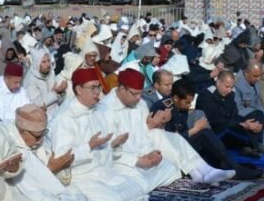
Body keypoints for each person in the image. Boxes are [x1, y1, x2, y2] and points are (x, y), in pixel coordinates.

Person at [98, 68, 233, 188]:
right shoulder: (105, 110)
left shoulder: (140, 104)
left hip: (145, 151)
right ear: (122, 89)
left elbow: (144, 133)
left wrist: (154, 126)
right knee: (148, 178)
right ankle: (199, 172)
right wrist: (139, 160)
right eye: (135, 94)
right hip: (126, 161)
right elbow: (109, 149)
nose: (139, 98)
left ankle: (202, 170)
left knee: (162, 138)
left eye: (140, 93)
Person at [48, 68, 149, 201]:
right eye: (92, 88)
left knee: (141, 187)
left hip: (104, 172)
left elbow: (107, 147)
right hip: (81, 177)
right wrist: (89, 146)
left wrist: (114, 144)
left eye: (98, 87)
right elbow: (60, 158)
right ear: (79, 90)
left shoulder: (99, 110)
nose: (97, 92)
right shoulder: (65, 118)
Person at [6, 104, 104, 201]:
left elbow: (53, 165)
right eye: (37, 137)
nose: (41, 140)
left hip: (51, 185)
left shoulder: (39, 139)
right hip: (27, 193)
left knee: (73, 193)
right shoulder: (13, 148)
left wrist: (60, 165)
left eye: (43, 134)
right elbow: (31, 187)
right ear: (22, 131)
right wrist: (51, 169)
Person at [23, 47, 67, 119]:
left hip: (57, 113)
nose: (48, 64)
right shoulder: (31, 80)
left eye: (48, 60)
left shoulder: (51, 74)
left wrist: (61, 92)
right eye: (44, 62)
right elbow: (36, 103)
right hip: (41, 117)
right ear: (37, 63)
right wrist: (55, 92)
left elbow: (59, 99)